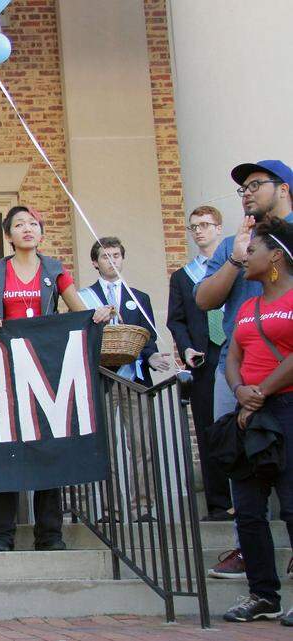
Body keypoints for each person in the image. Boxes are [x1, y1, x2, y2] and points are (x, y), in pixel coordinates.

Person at [0, 206, 112, 552]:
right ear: (8, 235)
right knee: (4, 450)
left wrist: (95, 316)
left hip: (47, 372)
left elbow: (78, 310)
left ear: (41, 233)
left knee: (48, 451)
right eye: (19, 225)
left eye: (33, 224)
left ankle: (50, 534)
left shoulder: (55, 269)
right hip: (6, 372)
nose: (26, 229)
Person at [196, 160, 293, 580]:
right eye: (242, 189)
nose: (247, 193)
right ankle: (251, 561)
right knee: (245, 477)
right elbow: (204, 300)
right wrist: (236, 259)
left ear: (283, 188)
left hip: (283, 379)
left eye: (255, 184)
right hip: (236, 373)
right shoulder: (236, 243)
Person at [219, 217, 293, 626]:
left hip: (284, 407)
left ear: (276, 255)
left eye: (254, 249)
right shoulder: (248, 305)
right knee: (248, 510)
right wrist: (239, 390)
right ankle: (263, 594)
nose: (246, 255)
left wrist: (259, 391)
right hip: (249, 415)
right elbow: (233, 355)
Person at [78, 237, 173, 521]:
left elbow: (148, 337)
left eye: (117, 255)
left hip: (134, 379)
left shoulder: (138, 297)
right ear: (95, 262)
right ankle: (110, 509)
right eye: (106, 257)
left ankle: (143, 507)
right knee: (106, 447)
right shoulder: (84, 298)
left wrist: (153, 357)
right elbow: (80, 338)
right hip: (102, 380)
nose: (112, 261)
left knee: (141, 445)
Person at [167, 206, 232, 521]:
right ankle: (219, 503)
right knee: (209, 430)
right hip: (204, 358)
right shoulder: (183, 276)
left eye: (205, 225)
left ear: (219, 228)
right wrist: (186, 347)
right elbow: (176, 320)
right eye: (194, 227)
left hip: (235, 351)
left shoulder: (237, 266)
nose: (199, 231)